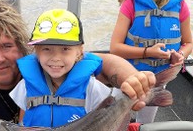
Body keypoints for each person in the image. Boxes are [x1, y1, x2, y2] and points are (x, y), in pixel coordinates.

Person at [0, 0, 155, 124]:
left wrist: (135, 83)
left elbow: (106, 62)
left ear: (24, 48)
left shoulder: (50, 66)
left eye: (7, 46)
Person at [9, 9, 156, 128]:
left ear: (79, 52)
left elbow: (104, 117)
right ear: (36, 52)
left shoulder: (92, 88)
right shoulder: (25, 86)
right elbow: (23, 122)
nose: (56, 57)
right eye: (47, 49)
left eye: (65, 49)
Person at [110, 0, 193, 123]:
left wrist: (179, 55)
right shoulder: (130, 4)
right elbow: (115, 48)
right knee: (116, 116)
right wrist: (147, 52)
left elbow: (189, 42)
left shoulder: (181, 6)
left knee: (146, 123)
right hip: (127, 75)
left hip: (158, 79)